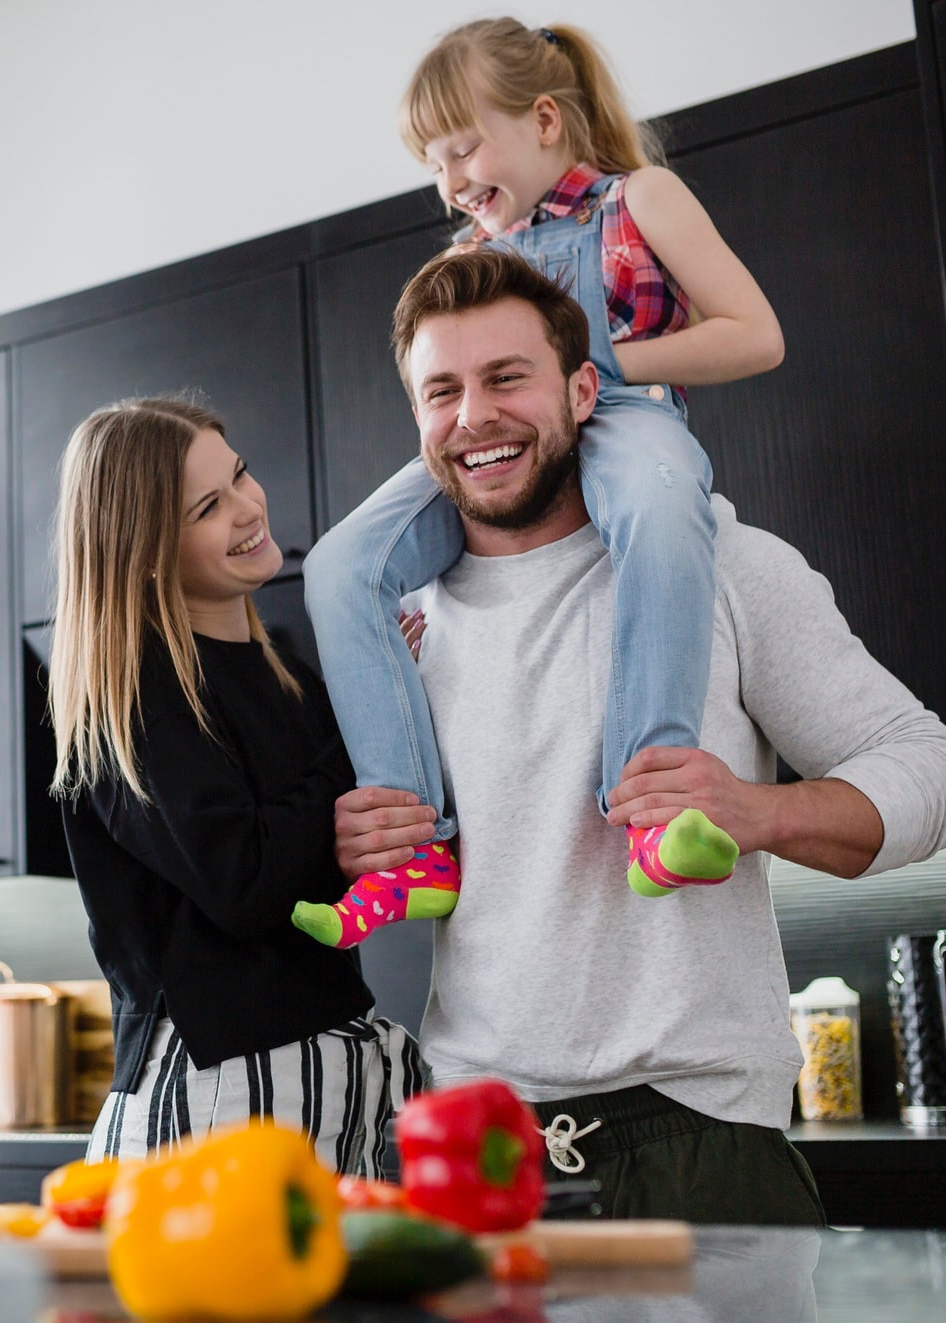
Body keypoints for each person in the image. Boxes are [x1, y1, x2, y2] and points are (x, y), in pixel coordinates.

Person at [338, 245, 946, 1224]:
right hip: (468, 1138)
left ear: (583, 389)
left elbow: (929, 773)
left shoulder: (726, 566)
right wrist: (363, 840)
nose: (473, 418)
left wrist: (753, 809)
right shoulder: (401, 627)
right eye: (440, 391)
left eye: (507, 378)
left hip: (698, 1132)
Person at [295, 19, 786, 949]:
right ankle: (419, 848)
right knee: (339, 565)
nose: (450, 181)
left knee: (656, 504)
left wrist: (588, 366)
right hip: (501, 444)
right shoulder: (461, 264)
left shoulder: (641, 198)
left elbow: (755, 335)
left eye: (464, 147)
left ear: (547, 120)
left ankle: (651, 808)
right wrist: (499, 391)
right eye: (433, 164)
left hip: (629, 414)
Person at [46, 397, 425, 1172]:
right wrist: (360, 733)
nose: (250, 506)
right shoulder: (128, 696)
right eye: (210, 506)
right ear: (147, 551)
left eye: (240, 473)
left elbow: (320, 866)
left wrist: (385, 695)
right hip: (216, 1099)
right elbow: (244, 880)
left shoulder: (287, 673)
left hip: (314, 1080)